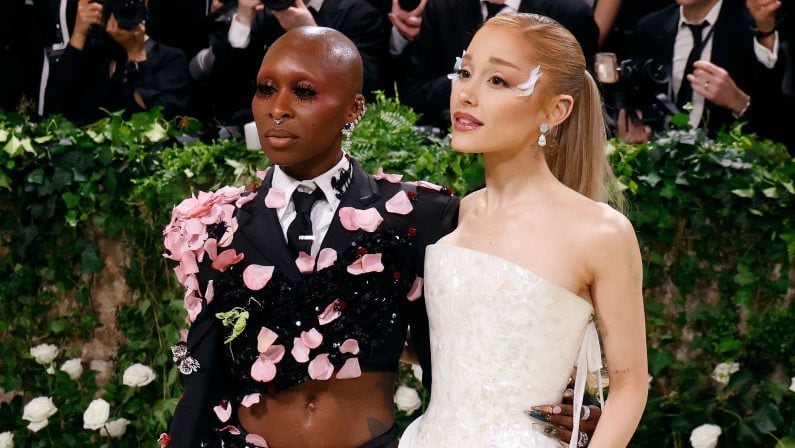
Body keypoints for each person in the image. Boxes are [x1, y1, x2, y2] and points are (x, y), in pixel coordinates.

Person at [163, 26, 600, 447]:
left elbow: (464, 345)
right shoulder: (215, 225)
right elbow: (201, 377)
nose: (277, 108)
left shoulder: (420, 217)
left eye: (303, 91)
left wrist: (573, 399)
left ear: (354, 110)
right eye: (265, 89)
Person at [399, 13, 648, 448]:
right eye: (466, 72)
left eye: (498, 81)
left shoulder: (601, 233)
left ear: (556, 109)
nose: (467, 94)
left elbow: (629, 386)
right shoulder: (453, 215)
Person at [401, 0, 599, 129]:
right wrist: (468, 77)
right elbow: (413, 97)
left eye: (497, 81)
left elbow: (582, 111)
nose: (467, 96)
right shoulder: (443, 6)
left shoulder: (568, 13)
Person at [618, 0, 784, 143]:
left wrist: (739, 102)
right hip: (662, 168)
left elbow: (777, 118)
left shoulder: (755, 25)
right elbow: (637, 105)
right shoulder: (650, 28)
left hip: (730, 170)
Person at [42, 0, 190, 124]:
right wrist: (78, 34)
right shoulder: (94, 57)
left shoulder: (170, 59)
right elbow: (52, 110)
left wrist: (136, 55)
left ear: (144, 4)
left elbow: (162, 122)